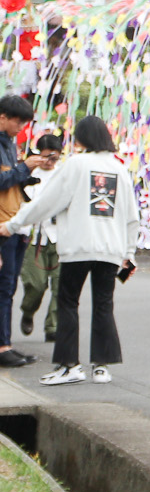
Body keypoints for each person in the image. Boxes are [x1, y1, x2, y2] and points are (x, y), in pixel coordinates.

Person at [1, 115, 142, 386]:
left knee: (68, 302)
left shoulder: (75, 165)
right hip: (110, 249)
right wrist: (129, 252)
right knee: (103, 304)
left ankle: (69, 365)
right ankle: (101, 366)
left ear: (81, 139)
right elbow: (131, 216)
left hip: (78, 246)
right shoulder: (119, 169)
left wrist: (13, 224)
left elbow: (47, 202)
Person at [0, 95, 50, 367]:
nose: (21, 127)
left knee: (8, 288)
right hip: (3, 227)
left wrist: (31, 171)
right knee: (4, 288)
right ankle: (3, 346)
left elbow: (12, 182)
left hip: (14, 224)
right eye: (18, 122)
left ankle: (6, 343)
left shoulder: (10, 143)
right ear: (2, 117)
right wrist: (24, 167)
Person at [12, 132, 64, 358]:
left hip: (61, 236)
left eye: (55, 158)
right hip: (34, 236)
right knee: (36, 283)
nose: (50, 162)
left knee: (60, 286)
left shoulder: (65, 174)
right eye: (46, 157)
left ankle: (53, 327)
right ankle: (28, 310)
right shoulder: (29, 174)